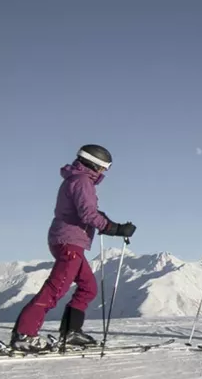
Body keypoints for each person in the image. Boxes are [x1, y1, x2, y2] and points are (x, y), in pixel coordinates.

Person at [10, 144, 137, 352]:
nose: (104, 172)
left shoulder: (78, 180)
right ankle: (24, 336)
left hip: (70, 241)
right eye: (104, 167)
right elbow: (88, 214)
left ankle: (71, 333)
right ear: (95, 164)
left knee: (88, 287)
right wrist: (113, 228)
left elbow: (88, 212)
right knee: (55, 289)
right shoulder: (82, 181)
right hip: (69, 242)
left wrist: (111, 225)